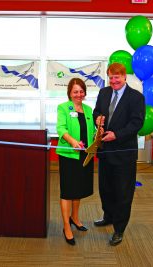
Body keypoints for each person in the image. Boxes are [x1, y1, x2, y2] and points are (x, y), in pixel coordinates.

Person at [93, 62, 145, 246]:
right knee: (105, 188)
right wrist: (97, 118)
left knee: (123, 192)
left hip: (124, 153)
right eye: (111, 77)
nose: (113, 80)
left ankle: (119, 229)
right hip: (105, 152)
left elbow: (136, 123)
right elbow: (96, 112)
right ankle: (108, 216)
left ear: (124, 77)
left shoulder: (136, 98)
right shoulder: (104, 93)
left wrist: (117, 135)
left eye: (117, 77)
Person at [56, 77, 96, 246]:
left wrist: (97, 132)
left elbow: (91, 130)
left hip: (85, 155)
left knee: (78, 189)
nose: (78, 94)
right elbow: (61, 128)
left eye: (81, 91)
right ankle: (66, 226)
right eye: (75, 92)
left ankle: (75, 218)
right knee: (68, 191)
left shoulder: (88, 109)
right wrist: (73, 142)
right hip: (69, 155)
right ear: (69, 93)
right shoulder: (64, 108)